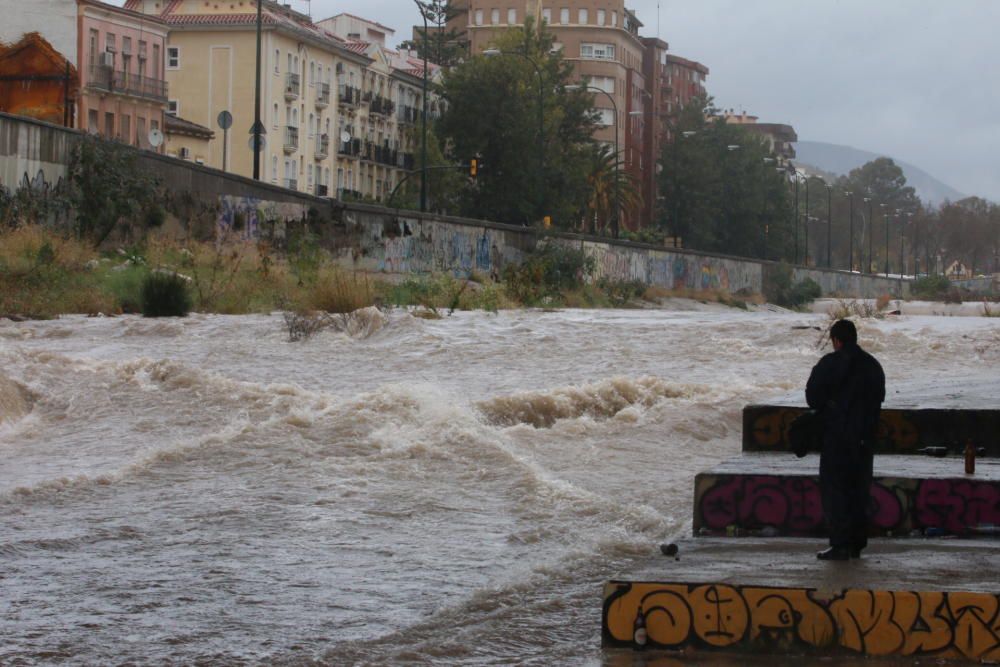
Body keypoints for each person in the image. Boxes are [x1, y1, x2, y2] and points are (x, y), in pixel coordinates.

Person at [806, 319, 885, 561]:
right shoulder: (873, 365)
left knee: (835, 491)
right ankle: (856, 544)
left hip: (837, 439)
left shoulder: (829, 364)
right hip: (864, 440)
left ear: (836, 340)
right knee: (859, 491)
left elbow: (812, 398)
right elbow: (879, 398)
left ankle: (840, 544)